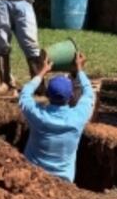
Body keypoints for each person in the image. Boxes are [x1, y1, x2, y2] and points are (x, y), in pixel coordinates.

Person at [19, 52, 95, 182]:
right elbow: (89, 92)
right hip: (63, 185)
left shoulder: (37, 115)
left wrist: (42, 72)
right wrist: (80, 69)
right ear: (71, 97)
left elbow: (25, 94)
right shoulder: (78, 117)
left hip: (32, 179)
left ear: (47, 95)